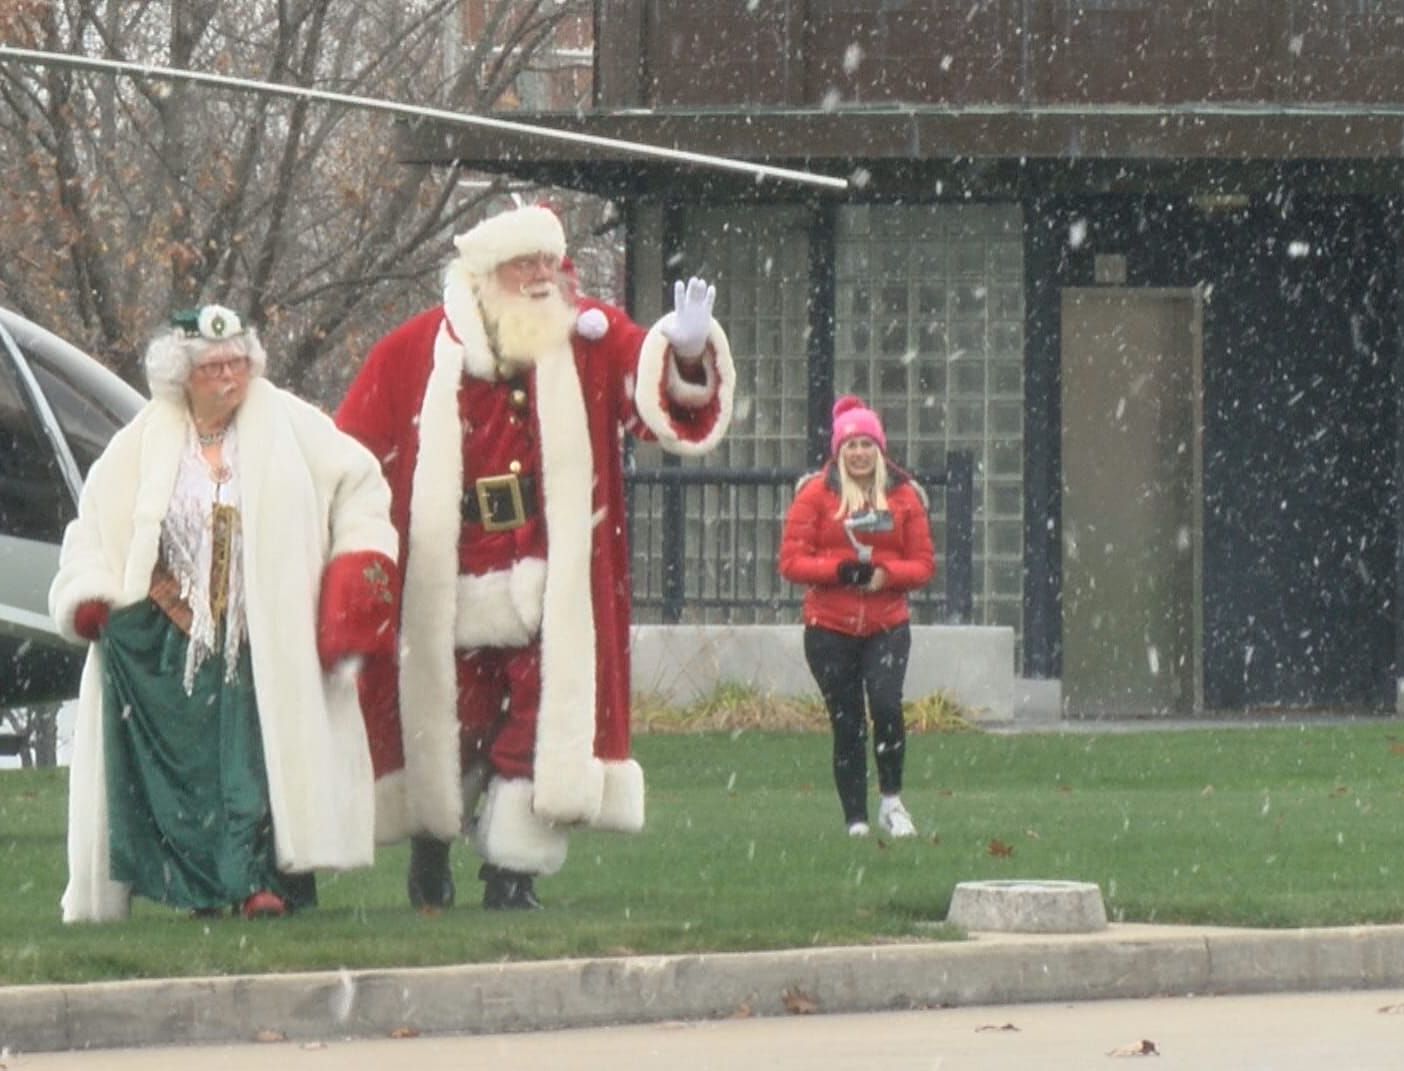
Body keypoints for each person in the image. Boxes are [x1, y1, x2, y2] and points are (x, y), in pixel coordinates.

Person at [335, 204, 735, 910]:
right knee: (444, 722)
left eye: (552, 265)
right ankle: (431, 848)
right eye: (528, 267)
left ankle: (511, 873)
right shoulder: (414, 350)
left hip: (552, 578)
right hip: (447, 578)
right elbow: (351, 455)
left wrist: (689, 355)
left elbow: (656, 405)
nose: (545, 279)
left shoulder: (587, 338)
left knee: (544, 720)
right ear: (486, 277)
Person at [49, 305, 399, 923]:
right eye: (212, 367)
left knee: (254, 765)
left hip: (268, 631)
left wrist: (355, 573)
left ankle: (258, 882)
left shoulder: (293, 425)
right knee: (191, 771)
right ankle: (208, 886)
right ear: (181, 374)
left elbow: (363, 483)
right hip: (172, 635)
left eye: (237, 363)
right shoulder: (142, 443)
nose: (229, 378)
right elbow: (93, 528)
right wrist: (92, 596)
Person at [777, 396, 935, 839]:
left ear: (879, 449)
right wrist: (839, 570)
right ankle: (855, 820)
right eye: (851, 445)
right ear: (838, 450)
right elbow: (791, 561)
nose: (860, 453)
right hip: (829, 628)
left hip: (887, 624)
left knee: (886, 705)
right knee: (846, 721)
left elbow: (922, 563)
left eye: (867, 444)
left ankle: (891, 799)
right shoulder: (815, 495)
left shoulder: (903, 497)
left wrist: (885, 576)